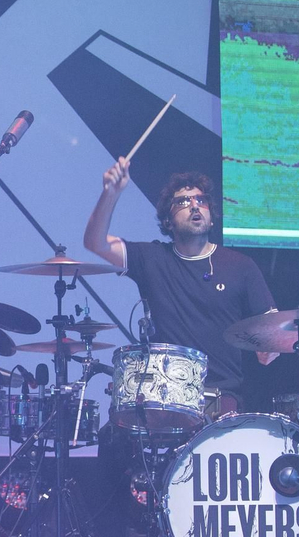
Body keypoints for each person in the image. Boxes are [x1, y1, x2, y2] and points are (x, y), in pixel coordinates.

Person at [83, 157, 277, 412]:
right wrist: (110, 193)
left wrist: (271, 346)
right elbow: (95, 242)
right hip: (164, 398)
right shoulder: (152, 258)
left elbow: (273, 325)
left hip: (223, 398)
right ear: (168, 221)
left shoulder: (241, 265)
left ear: (211, 218)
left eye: (201, 200)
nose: (195, 206)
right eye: (183, 202)